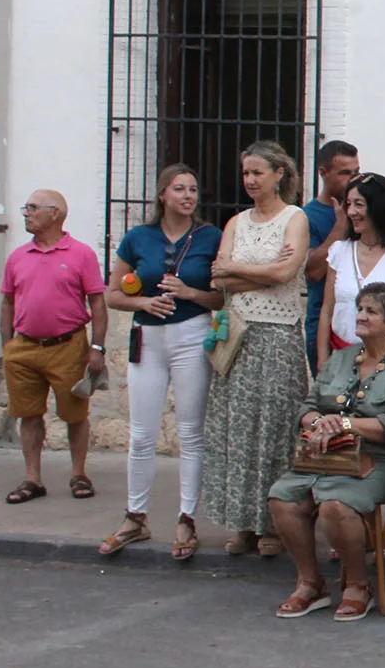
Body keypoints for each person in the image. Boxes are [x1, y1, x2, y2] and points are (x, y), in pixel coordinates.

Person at [267, 283, 385, 622]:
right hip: (330, 457)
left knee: (336, 504)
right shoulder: (341, 359)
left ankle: (358, 586)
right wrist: (318, 422)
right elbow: (309, 405)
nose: (360, 316)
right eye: (360, 309)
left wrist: (343, 425)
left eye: (370, 311)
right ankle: (310, 583)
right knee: (282, 496)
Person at [100, 164, 224, 559]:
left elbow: (221, 298)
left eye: (193, 189)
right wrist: (143, 301)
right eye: (179, 189)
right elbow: (112, 294)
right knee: (141, 433)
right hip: (147, 337)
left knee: (190, 431)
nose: (188, 196)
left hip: (191, 333)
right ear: (162, 195)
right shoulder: (139, 237)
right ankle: (135, 516)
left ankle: (187, 517)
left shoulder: (211, 237)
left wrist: (189, 291)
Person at [200, 141, 312, 557]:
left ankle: (273, 524)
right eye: (245, 173)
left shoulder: (294, 218)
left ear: (279, 174)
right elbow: (217, 281)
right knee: (238, 431)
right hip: (239, 336)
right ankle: (242, 522)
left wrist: (237, 270)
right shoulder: (235, 222)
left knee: (276, 430)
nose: (250, 180)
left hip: (278, 337)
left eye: (257, 173)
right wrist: (259, 274)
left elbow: (287, 272)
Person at [0, 188, 109, 505]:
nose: (25, 213)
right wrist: (8, 347)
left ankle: (79, 473)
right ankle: (33, 478)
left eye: (33, 208)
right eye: (26, 207)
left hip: (68, 346)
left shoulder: (81, 254)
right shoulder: (18, 256)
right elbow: (7, 302)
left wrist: (97, 348)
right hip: (24, 348)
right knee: (28, 414)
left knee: (75, 413)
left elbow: (98, 303)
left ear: (55, 213)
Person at [307, 173, 385, 354]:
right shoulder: (339, 251)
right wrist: (322, 360)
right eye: (348, 204)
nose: (351, 212)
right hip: (342, 355)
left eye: (359, 204)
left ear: (379, 208)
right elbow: (327, 310)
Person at [301, 140, 359, 365]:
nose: (353, 179)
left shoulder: (367, 208)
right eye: (345, 173)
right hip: (324, 320)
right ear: (323, 173)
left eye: (356, 171)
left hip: (365, 322)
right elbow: (313, 271)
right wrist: (341, 226)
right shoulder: (306, 216)